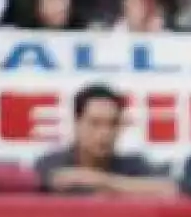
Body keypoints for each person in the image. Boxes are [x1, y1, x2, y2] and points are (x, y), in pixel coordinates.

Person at [36, 84, 179, 198]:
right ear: (77, 123)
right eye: (95, 123)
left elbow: (169, 190)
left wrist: (101, 180)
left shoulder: (133, 164)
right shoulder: (53, 162)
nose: (105, 133)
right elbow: (57, 182)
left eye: (112, 124)